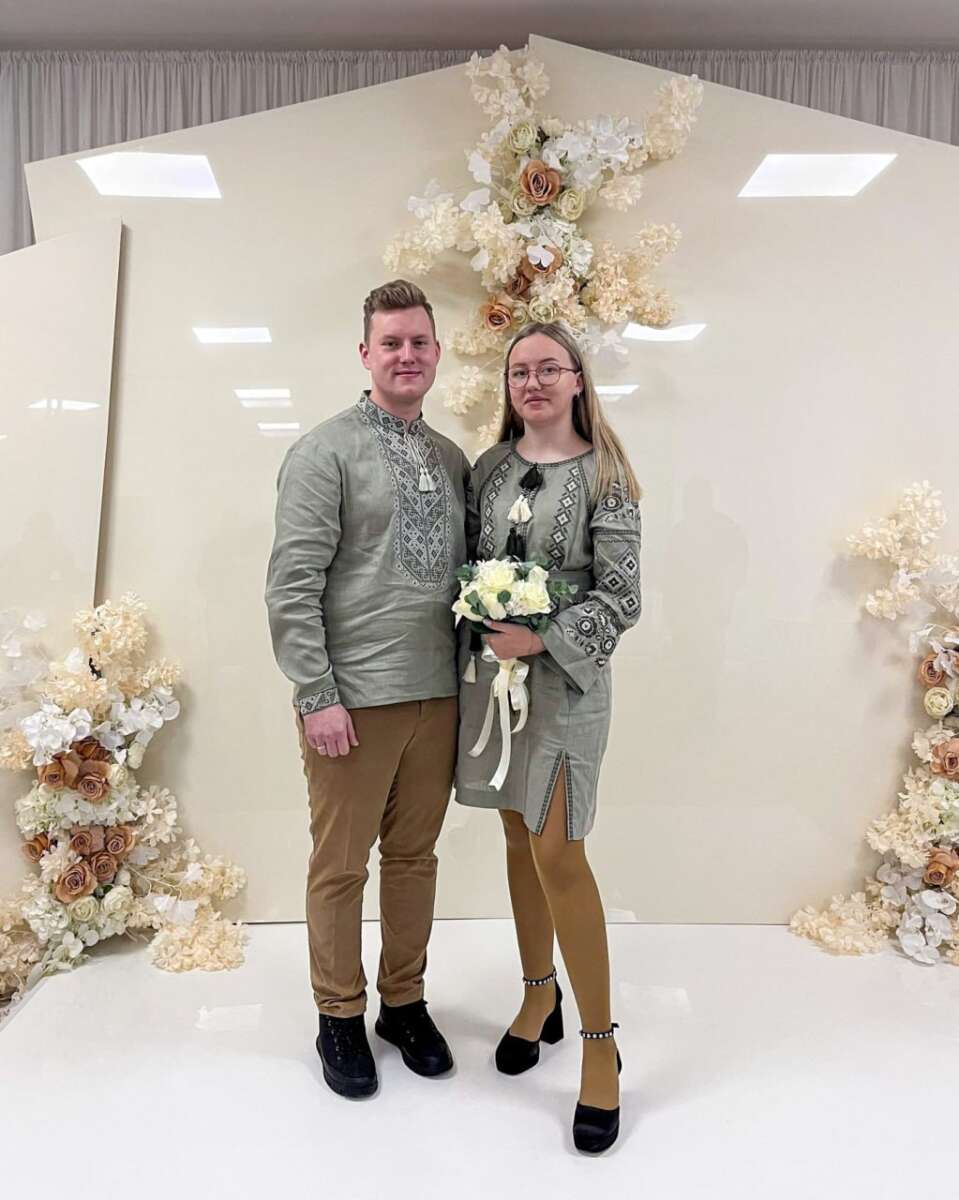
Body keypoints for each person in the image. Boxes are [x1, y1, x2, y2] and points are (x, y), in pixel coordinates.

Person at [266, 280, 470, 1099]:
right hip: (350, 704)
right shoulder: (325, 452)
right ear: (365, 354)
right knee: (341, 865)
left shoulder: (451, 459)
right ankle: (338, 1014)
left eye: (418, 342)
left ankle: (403, 1002)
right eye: (391, 343)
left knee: (414, 860)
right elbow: (292, 584)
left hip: (438, 698)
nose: (406, 355)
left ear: (436, 352)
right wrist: (315, 694)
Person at [455, 321, 642, 1153]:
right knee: (515, 837)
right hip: (491, 691)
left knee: (558, 852)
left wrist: (542, 638)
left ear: (576, 379)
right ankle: (539, 993)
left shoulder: (608, 475)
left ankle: (600, 1047)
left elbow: (621, 597)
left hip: (566, 689)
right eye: (518, 371)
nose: (531, 382)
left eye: (547, 369)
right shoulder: (488, 469)